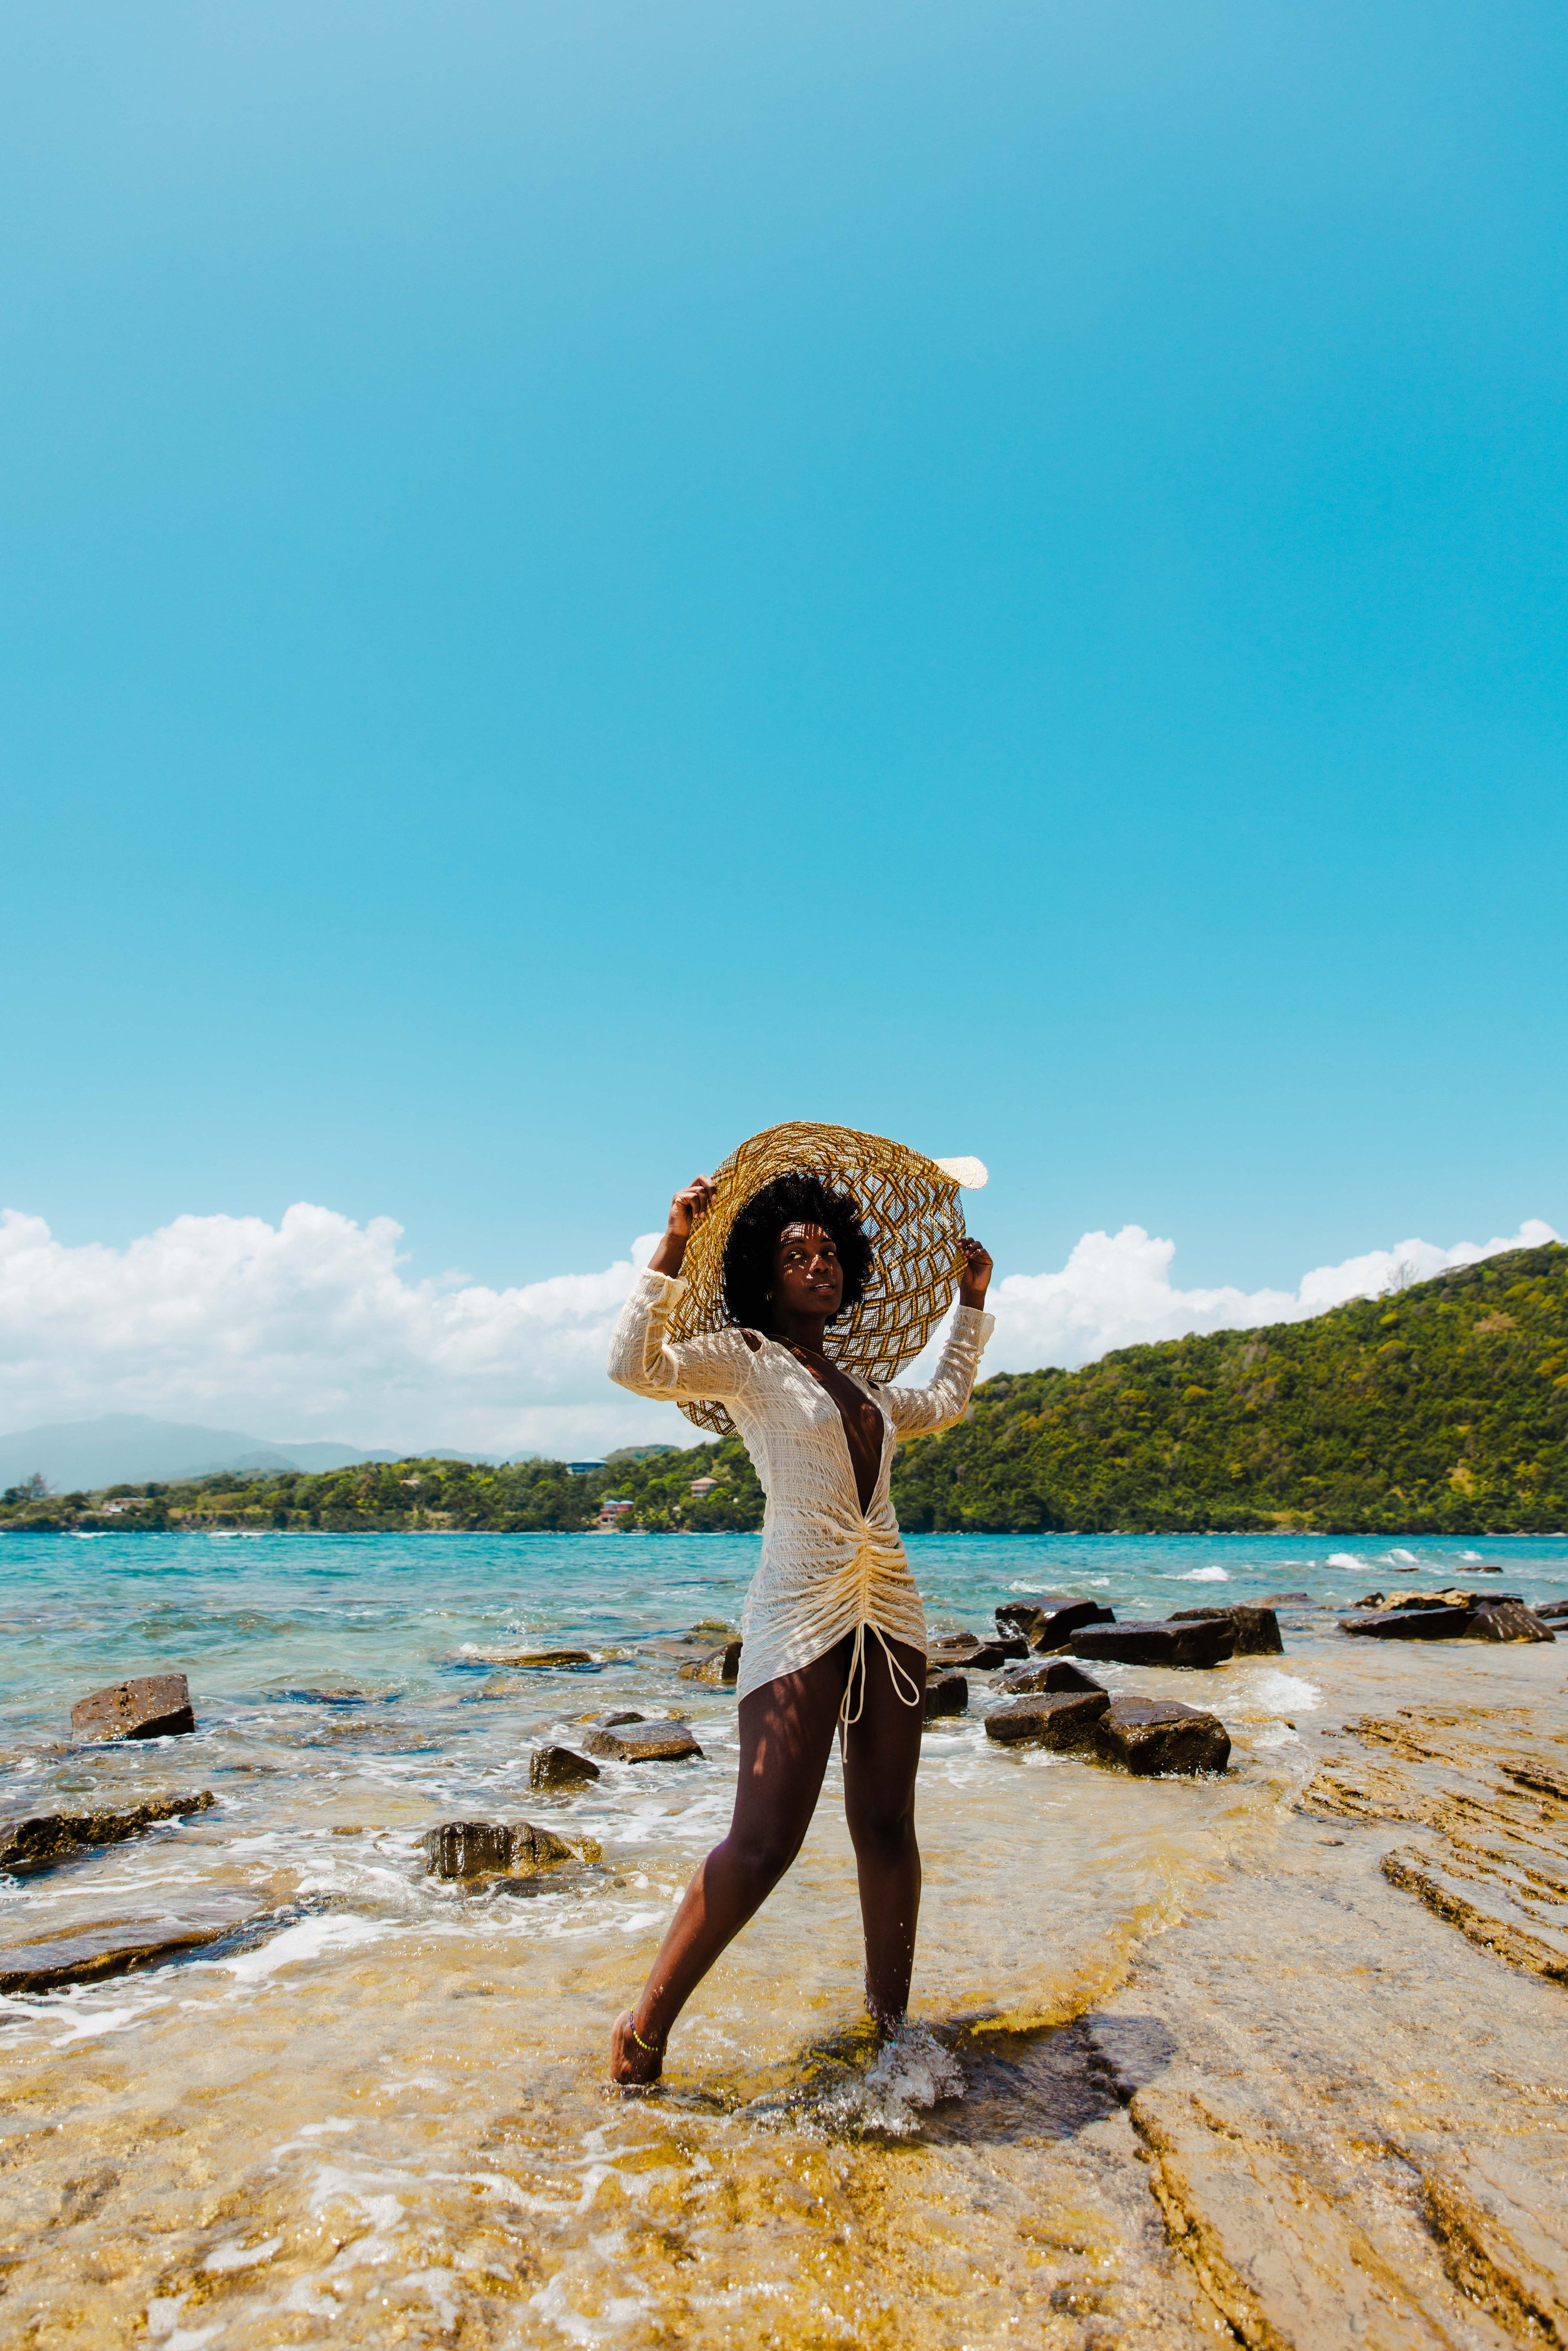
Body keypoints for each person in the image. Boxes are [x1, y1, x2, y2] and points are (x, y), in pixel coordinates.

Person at [605, 1165, 994, 2086]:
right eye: (796, 1254)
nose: (818, 1264)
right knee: (764, 1841)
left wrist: (972, 1304)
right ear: (764, 1276)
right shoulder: (748, 1358)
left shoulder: (867, 1388)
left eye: (828, 1252)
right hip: (798, 1607)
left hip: (890, 1607)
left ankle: (891, 2034)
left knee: (888, 1825)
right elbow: (634, 1366)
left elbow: (947, 1400)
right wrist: (673, 1242)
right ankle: (642, 2034)